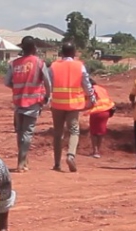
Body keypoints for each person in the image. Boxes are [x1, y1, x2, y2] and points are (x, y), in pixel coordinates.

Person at [5, 36, 52, 173]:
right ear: (34, 48)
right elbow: (48, 83)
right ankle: (21, 162)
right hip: (33, 102)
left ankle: (24, 161)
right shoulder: (39, 63)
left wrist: (18, 88)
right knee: (28, 132)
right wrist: (47, 96)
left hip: (18, 102)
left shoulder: (14, 64)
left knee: (20, 133)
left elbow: (7, 82)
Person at [48, 42, 97, 172]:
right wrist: (92, 98)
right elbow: (86, 84)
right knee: (74, 130)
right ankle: (70, 155)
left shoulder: (54, 66)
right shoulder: (79, 66)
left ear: (62, 53)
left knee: (58, 133)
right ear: (74, 53)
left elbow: (49, 84)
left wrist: (46, 99)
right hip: (73, 104)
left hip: (57, 104)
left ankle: (57, 164)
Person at [87, 78, 116, 158]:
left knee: (93, 132)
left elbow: (88, 102)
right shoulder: (102, 89)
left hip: (96, 111)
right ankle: (98, 151)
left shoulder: (90, 90)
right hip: (106, 111)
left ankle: (95, 151)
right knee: (100, 132)